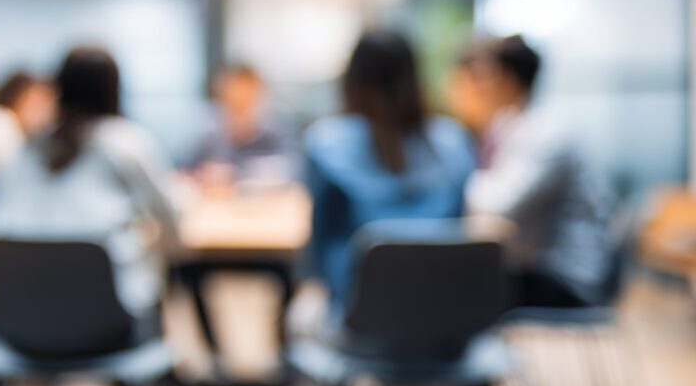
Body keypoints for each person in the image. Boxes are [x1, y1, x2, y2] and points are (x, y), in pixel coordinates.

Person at [0, 46, 177, 319]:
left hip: (19, 320)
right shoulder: (126, 142)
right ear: (115, 89)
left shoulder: (24, 149)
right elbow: (171, 221)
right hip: (103, 322)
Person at [302, 31, 477, 317]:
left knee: (299, 317)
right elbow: (459, 227)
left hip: (361, 320)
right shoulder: (455, 141)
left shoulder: (325, 143)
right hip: (447, 320)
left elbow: (320, 252)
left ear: (351, 80)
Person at [449, 34, 611, 308]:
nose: (472, 89)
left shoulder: (547, 135)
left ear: (507, 79)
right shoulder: (509, 128)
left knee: (452, 290)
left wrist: (466, 140)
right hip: (531, 268)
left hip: (564, 277)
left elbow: (498, 206)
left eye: (482, 77)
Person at [188, 63, 299, 185]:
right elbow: (186, 171)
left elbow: (290, 170)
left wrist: (235, 174)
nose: (240, 112)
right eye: (234, 103)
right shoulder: (210, 137)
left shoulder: (277, 130)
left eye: (246, 103)